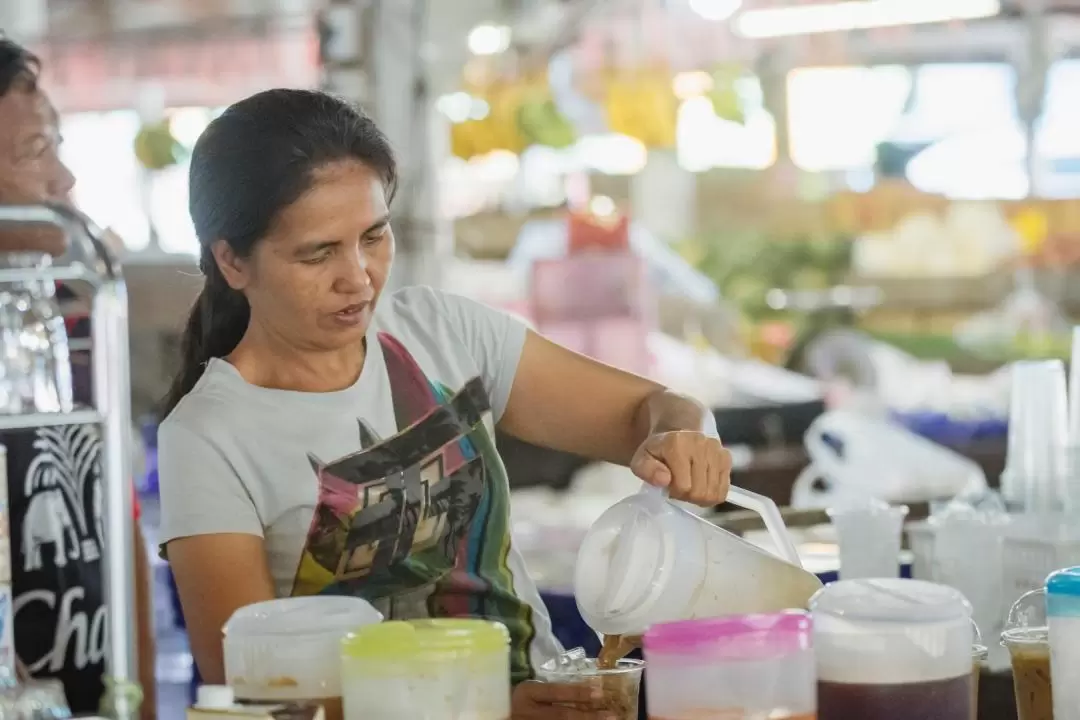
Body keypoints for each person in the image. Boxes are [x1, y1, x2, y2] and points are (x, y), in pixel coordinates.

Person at [158, 88, 732, 720]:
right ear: (232, 261)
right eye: (317, 253)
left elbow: (653, 409)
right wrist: (490, 708)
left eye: (374, 235)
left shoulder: (439, 331)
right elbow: (254, 693)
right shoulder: (207, 435)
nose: (359, 276)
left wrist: (680, 436)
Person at [0, 36, 157, 717]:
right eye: (37, 153)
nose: (64, 179)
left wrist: (139, 702)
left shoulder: (76, 319)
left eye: (56, 144)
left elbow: (117, 536)